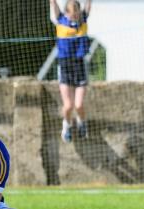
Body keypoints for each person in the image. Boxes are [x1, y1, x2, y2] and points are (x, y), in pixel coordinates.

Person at [50, 0, 92, 142]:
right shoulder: (61, 20)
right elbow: (53, 4)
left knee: (78, 104)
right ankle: (66, 125)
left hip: (80, 65)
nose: (74, 16)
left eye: (76, 14)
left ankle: (82, 123)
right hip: (65, 66)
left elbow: (88, 4)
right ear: (66, 13)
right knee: (68, 106)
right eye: (71, 14)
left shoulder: (83, 20)